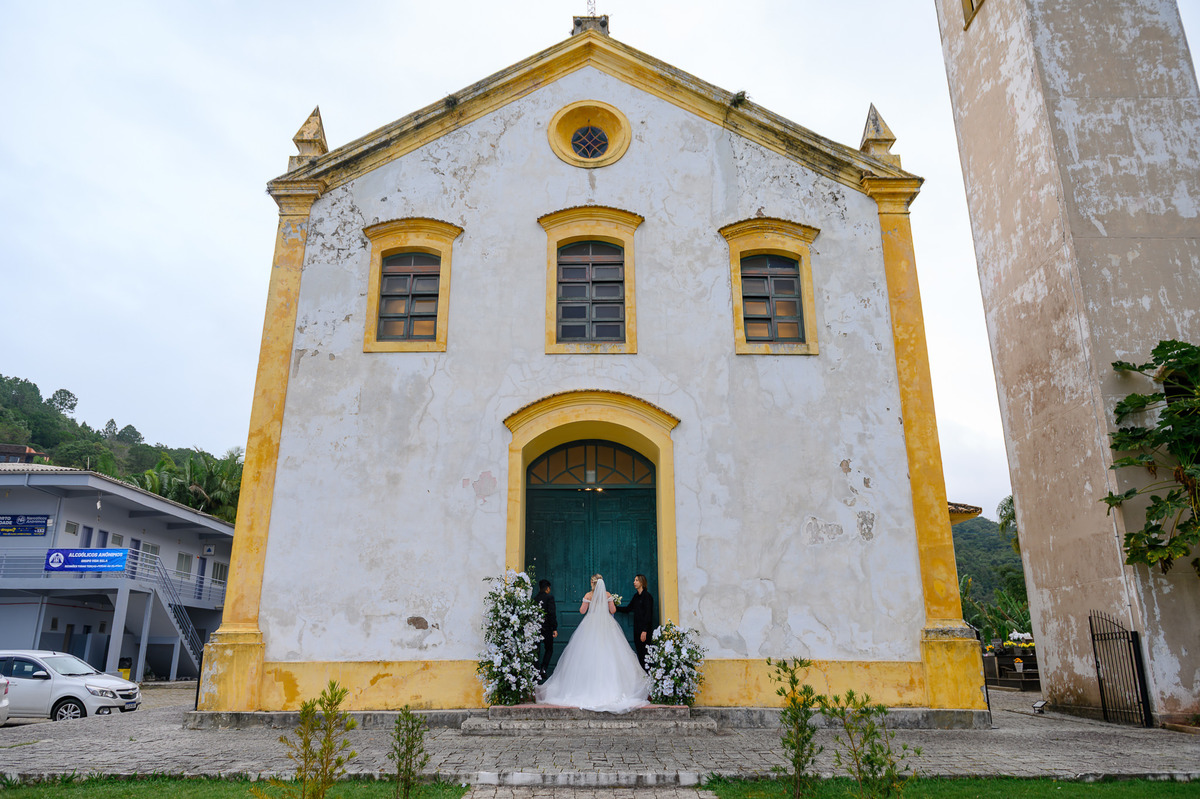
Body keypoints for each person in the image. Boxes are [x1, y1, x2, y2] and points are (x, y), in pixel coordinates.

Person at [534, 574, 650, 713]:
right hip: (607, 626)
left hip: (590, 625)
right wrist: (609, 602)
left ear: (592, 583)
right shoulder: (607, 594)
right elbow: (612, 610)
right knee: (610, 654)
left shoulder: (588, 595)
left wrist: (587, 602)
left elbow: (582, 611)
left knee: (587, 655)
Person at [617, 573, 655, 669]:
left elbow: (648, 614)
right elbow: (628, 609)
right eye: (634, 580)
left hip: (644, 631)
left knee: (646, 655)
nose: (634, 582)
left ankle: (650, 677)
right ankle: (644, 678)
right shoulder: (636, 596)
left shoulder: (647, 596)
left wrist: (645, 631)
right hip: (637, 630)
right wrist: (614, 607)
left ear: (642, 582)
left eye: (636, 580)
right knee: (640, 654)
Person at [533, 578, 558, 679]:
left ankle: (535, 670)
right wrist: (554, 628)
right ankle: (543, 668)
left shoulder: (534, 598)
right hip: (547, 628)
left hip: (536, 628)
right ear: (547, 588)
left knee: (536, 650)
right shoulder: (549, 598)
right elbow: (551, 613)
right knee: (549, 649)